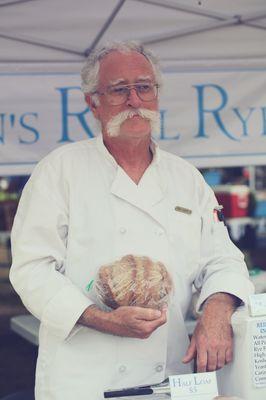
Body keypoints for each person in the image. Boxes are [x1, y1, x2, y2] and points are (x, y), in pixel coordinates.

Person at [10, 41, 254, 400]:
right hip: (85, 380)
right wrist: (100, 317)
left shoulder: (185, 178)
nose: (135, 100)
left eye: (144, 87)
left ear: (157, 94)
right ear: (93, 102)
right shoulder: (59, 171)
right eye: (119, 90)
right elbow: (31, 270)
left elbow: (223, 257)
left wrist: (218, 307)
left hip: (170, 375)